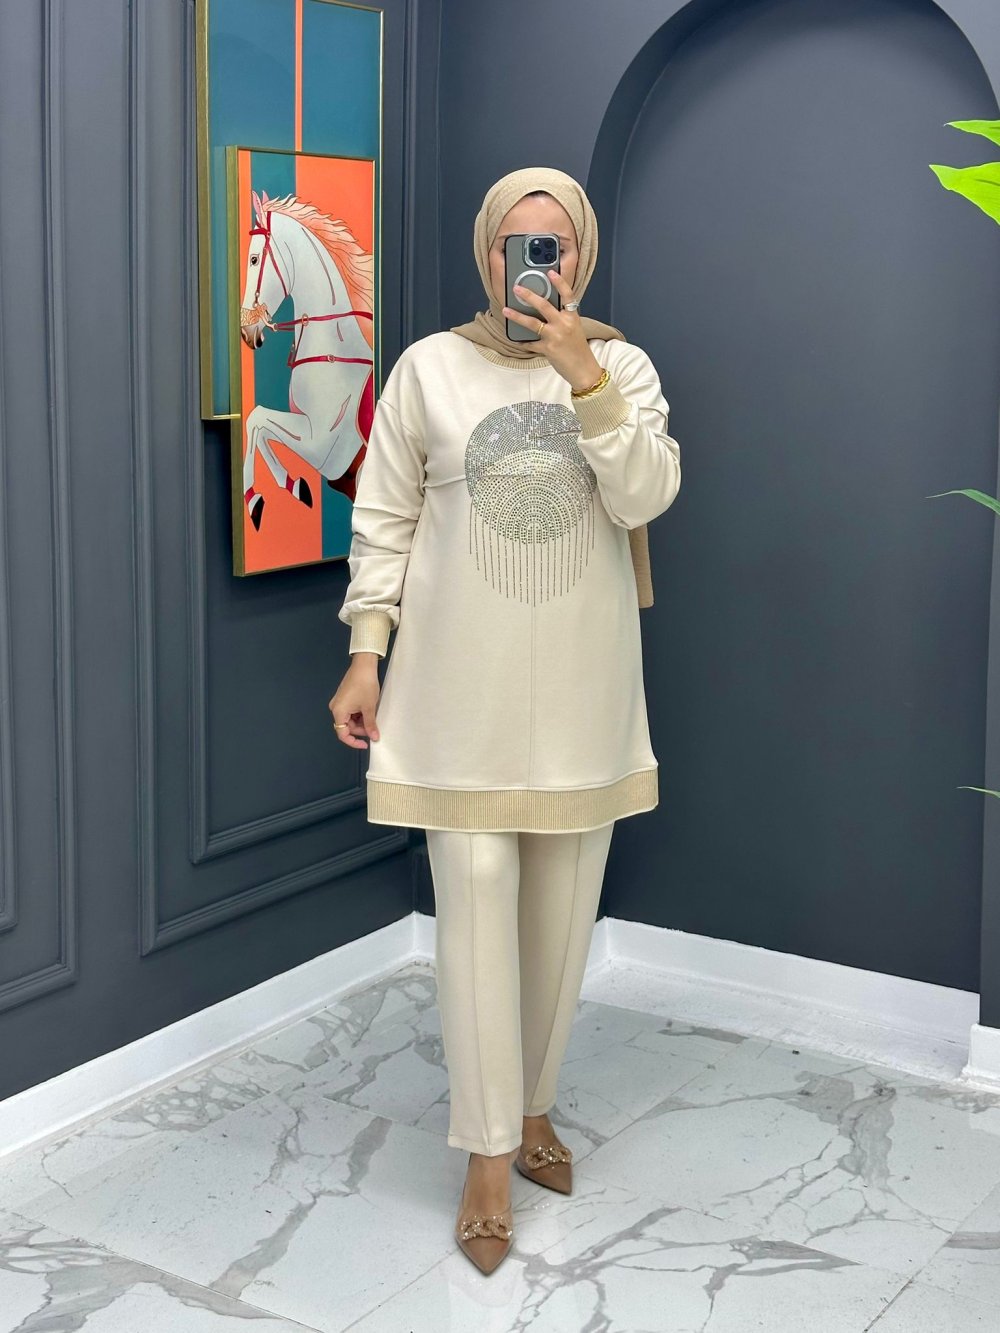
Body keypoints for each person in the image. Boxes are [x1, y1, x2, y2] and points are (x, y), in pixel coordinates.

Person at [328, 165, 681, 1275]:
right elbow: (383, 518)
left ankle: (532, 1109)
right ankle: (487, 1154)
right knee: (474, 908)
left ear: (579, 257)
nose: (534, 263)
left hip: (582, 687)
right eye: (513, 244)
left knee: (561, 916)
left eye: (553, 245)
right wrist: (365, 653)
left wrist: (585, 378)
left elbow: (646, 494)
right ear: (485, 254)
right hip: (452, 689)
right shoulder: (427, 368)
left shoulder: (621, 366)